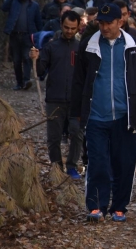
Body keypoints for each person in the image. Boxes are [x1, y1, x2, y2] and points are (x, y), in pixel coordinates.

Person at [71, 3, 136, 222]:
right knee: (97, 162)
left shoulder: (134, 45)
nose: (105, 27)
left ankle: (119, 206)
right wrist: (76, 111)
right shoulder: (89, 46)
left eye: (109, 23)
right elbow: (79, 81)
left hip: (125, 115)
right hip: (96, 116)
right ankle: (96, 206)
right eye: (101, 22)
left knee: (124, 163)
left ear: (120, 22)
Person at [29, 10, 83, 179]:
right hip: (55, 99)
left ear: (78, 28)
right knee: (54, 137)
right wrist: (35, 59)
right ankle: (56, 168)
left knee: (77, 133)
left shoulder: (81, 48)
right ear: (61, 25)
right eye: (66, 27)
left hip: (76, 100)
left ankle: (72, 166)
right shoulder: (51, 47)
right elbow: (39, 72)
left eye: (72, 28)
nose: (69, 31)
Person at [2, 0, 42, 90]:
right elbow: (4, 8)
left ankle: (26, 81)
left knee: (27, 57)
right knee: (16, 60)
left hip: (28, 36)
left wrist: (39, 36)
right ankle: (19, 83)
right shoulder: (13, 3)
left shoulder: (34, 5)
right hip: (15, 35)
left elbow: (38, 22)